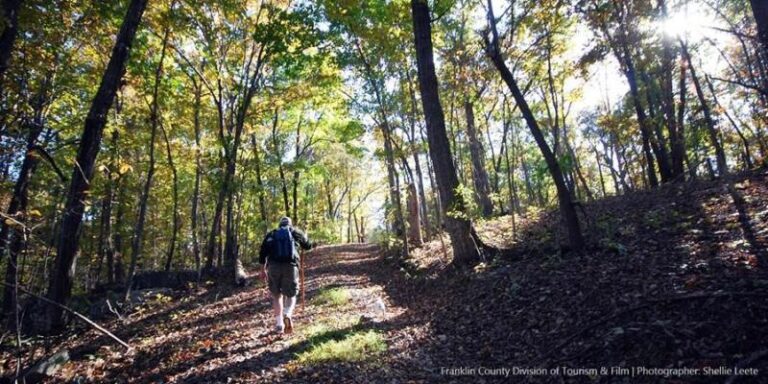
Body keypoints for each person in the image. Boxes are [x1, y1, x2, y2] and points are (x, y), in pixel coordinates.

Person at [258, 216, 312, 334]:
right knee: (291, 294)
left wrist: (262, 270)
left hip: (273, 267)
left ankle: (279, 324)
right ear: (290, 224)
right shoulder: (296, 233)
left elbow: (262, 253)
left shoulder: (272, 234)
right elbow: (308, 246)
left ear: (279, 225)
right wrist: (305, 237)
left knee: (277, 295)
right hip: (291, 266)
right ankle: (287, 313)